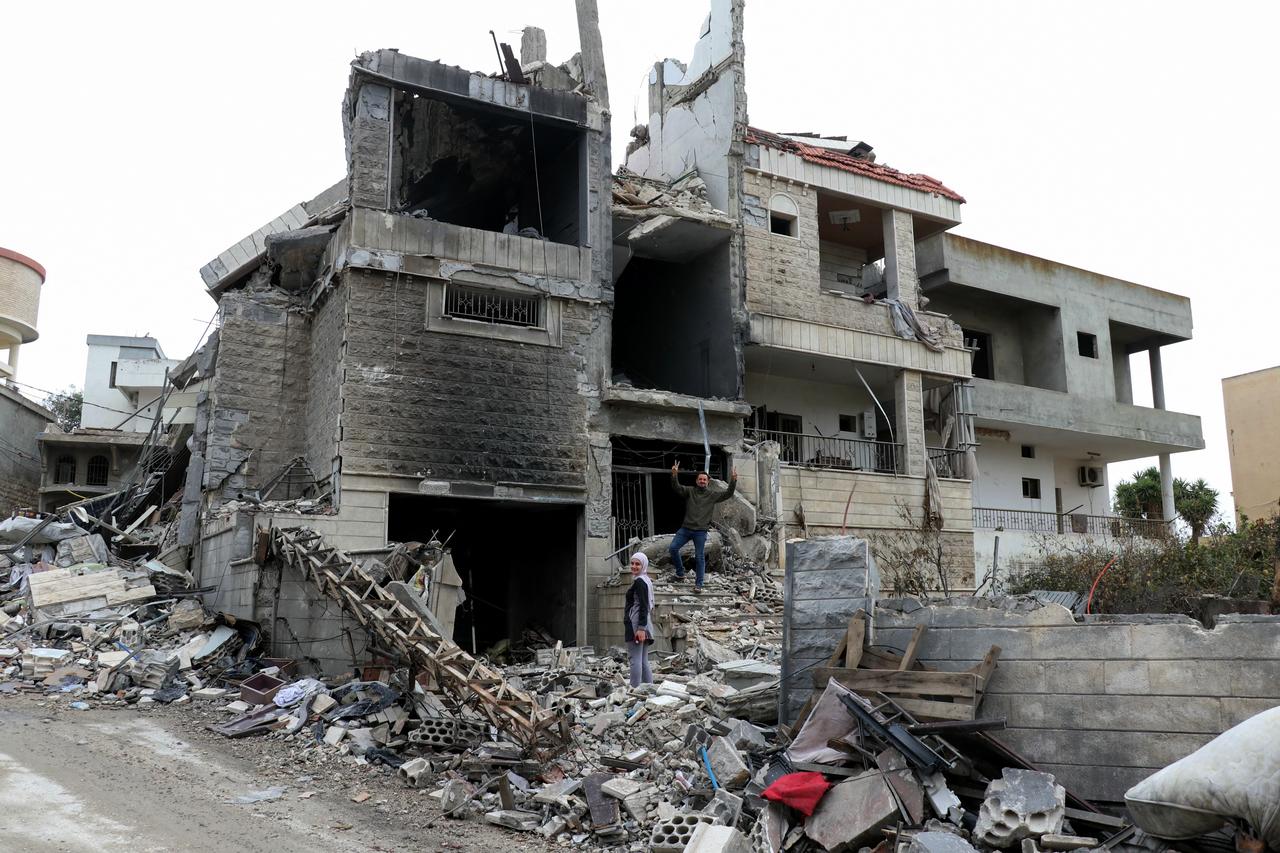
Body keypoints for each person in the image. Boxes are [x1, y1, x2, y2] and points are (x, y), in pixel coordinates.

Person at [669, 461, 737, 592]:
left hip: (700, 531)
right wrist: (674, 474)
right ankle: (680, 573)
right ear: (696, 481)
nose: (702, 481)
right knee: (672, 548)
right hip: (686, 528)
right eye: (700, 479)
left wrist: (733, 481)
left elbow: (728, 493)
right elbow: (677, 487)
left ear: (708, 482)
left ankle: (699, 584)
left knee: (700, 557)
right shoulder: (690, 491)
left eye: (704, 479)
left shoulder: (712, 495)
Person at [623, 552, 655, 687]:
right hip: (644, 624)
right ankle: (649, 689)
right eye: (632, 563)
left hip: (637, 625)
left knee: (635, 659)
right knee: (642, 660)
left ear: (644, 565)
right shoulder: (645, 580)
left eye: (638, 564)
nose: (634, 566)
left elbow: (643, 605)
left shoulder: (640, 582)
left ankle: (634, 690)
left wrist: (640, 629)